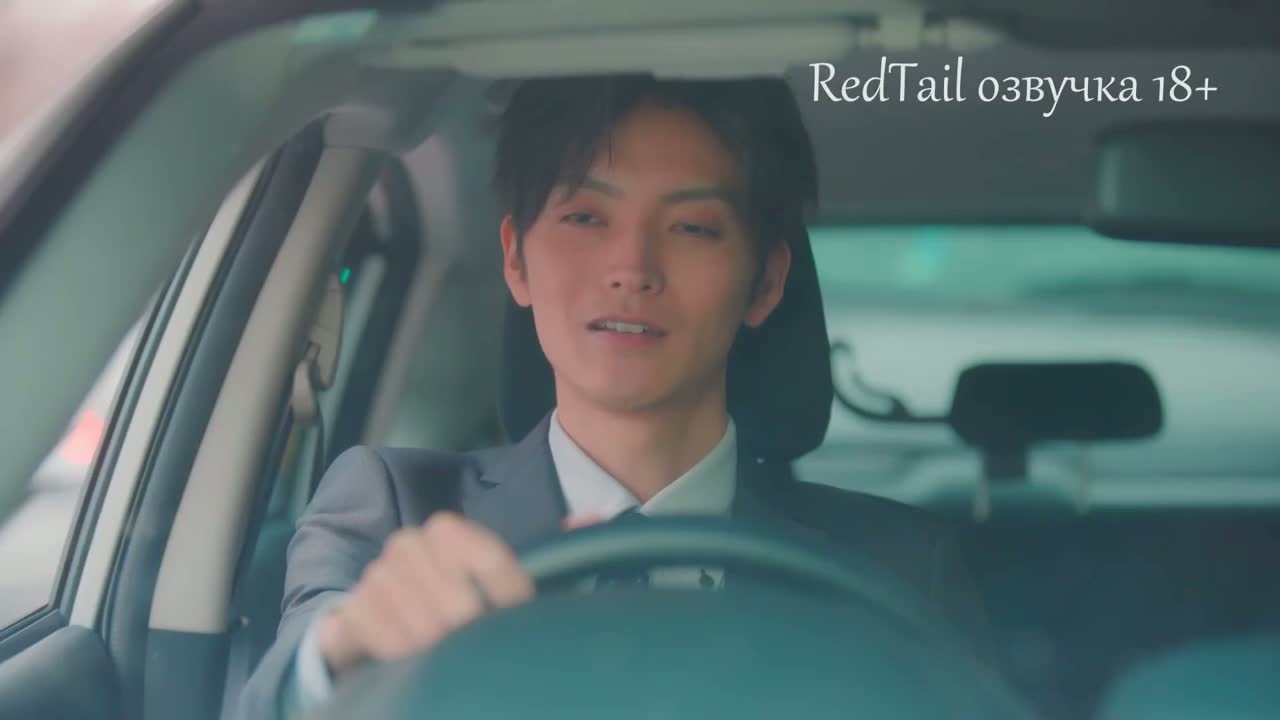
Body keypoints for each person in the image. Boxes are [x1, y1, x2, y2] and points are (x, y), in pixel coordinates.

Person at [239, 74, 992, 719]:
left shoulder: (897, 567)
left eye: (692, 227)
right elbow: (274, 695)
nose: (632, 266)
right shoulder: (398, 509)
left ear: (765, 282)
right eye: (585, 217)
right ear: (516, 260)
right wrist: (344, 649)